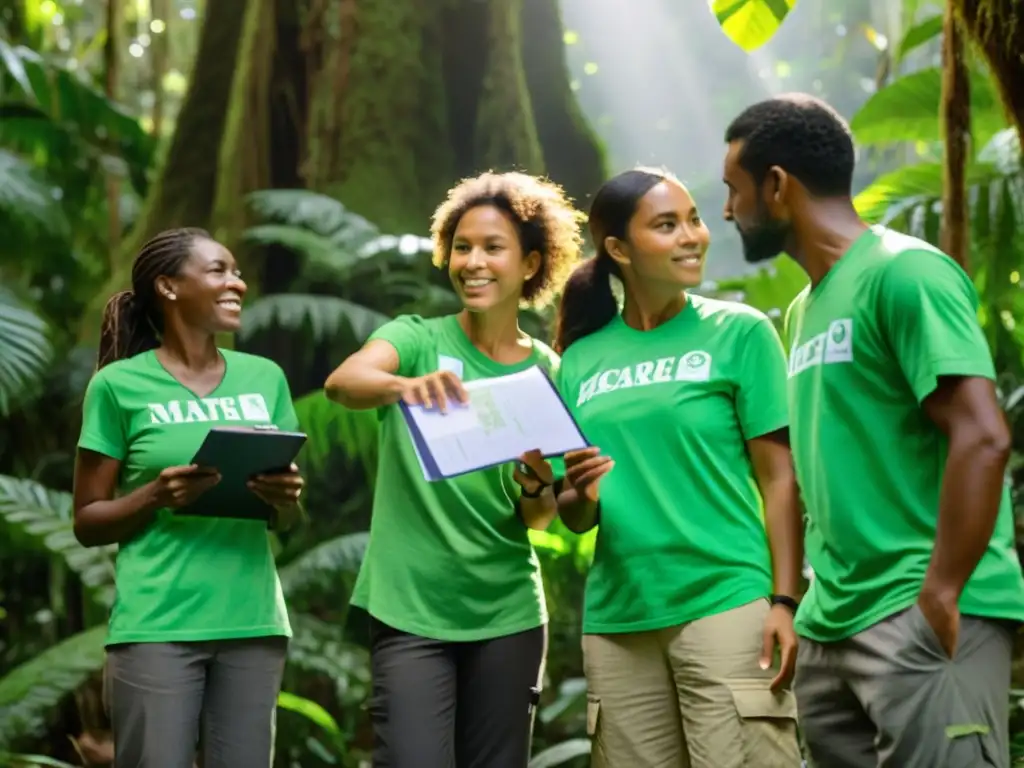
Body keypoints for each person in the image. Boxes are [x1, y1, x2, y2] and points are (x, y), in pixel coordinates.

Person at [722, 93, 1024, 768]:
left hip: (919, 614)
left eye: (732, 189)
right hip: (833, 628)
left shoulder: (904, 272)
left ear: (777, 186)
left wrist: (942, 592)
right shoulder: (800, 312)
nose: (725, 210)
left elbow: (983, 436)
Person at [323, 171, 584, 768]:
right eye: (462, 246)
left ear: (530, 262)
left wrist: (538, 487)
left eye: (493, 248)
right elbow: (344, 383)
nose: (473, 262)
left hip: (508, 613)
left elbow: (540, 519)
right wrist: (405, 385)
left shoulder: (547, 371)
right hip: (410, 608)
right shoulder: (414, 339)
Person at [552, 167, 805, 768]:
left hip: (725, 600)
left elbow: (779, 477)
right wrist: (581, 495)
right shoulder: (581, 359)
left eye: (693, 219)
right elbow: (574, 512)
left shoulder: (740, 332)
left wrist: (785, 600)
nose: (692, 235)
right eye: (667, 225)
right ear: (618, 249)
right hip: (619, 617)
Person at [73, 228, 304, 768]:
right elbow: (87, 520)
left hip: (253, 623)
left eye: (238, 272)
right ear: (169, 287)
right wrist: (155, 495)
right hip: (158, 625)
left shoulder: (264, 377)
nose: (237, 284)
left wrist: (286, 497)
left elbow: (288, 521)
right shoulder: (117, 386)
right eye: (219, 271)